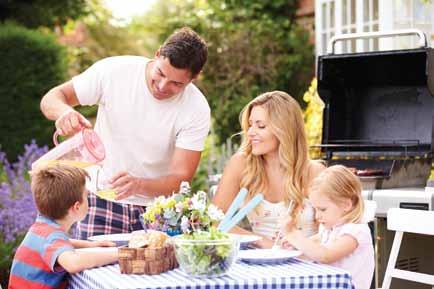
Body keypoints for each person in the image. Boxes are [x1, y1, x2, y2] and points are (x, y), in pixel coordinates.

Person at [39, 27, 211, 239]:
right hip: (101, 200)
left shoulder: (196, 108)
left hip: (158, 211)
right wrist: (64, 112)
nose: (162, 86)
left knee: (157, 271)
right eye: (160, 73)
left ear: (194, 78)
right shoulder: (115, 71)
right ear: (157, 54)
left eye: (176, 84)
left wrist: (139, 185)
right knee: (94, 270)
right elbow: (52, 98)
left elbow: (180, 179)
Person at [212, 90, 325, 248]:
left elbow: (331, 232)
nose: (251, 132)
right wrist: (263, 242)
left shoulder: (315, 172)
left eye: (261, 126)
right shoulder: (241, 165)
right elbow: (215, 221)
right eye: (250, 124)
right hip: (263, 263)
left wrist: (302, 245)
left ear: (284, 130)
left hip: (310, 262)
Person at [8, 165, 118, 289]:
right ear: (76, 207)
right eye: (86, 195)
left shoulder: (42, 227)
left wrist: (91, 245)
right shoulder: (51, 237)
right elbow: (73, 263)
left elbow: (62, 242)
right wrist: (119, 254)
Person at [282, 165, 374, 289]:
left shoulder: (355, 232)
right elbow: (316, 244)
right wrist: (295, 245)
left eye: (322, 209)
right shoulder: (330, 228)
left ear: (346, 204)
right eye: (315, 209)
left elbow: (326, 256)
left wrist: (294, 234)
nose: (317, 216)